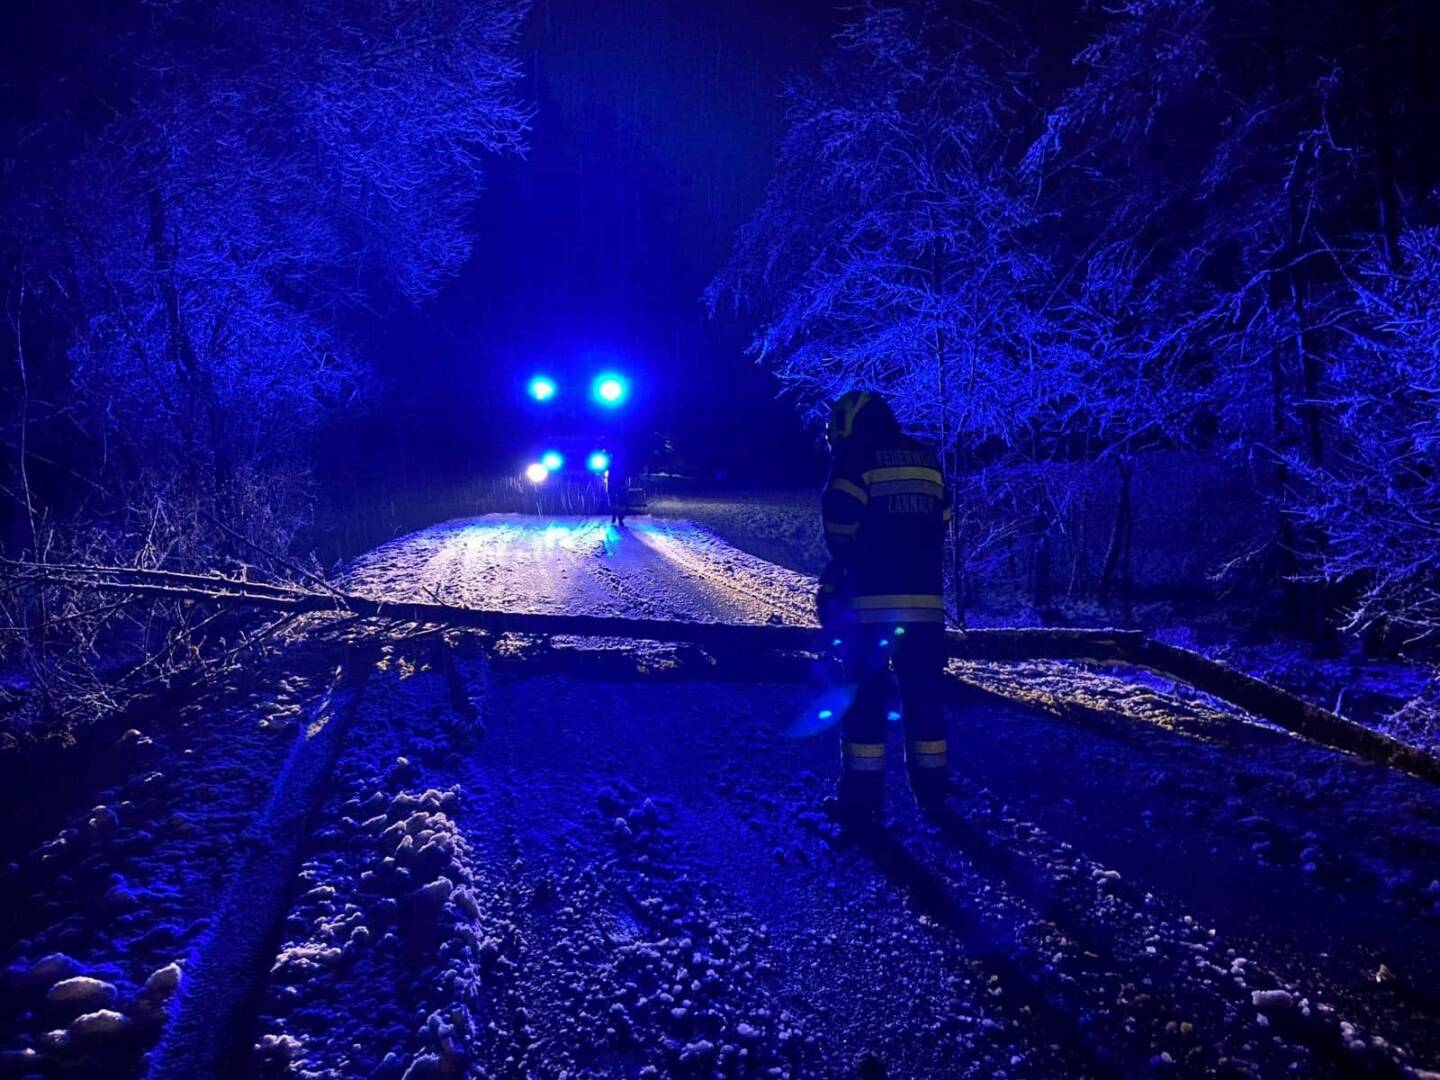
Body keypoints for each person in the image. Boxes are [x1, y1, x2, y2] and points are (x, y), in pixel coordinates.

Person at [818, 390, 951, 823]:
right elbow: (942, 522)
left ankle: (861, 802)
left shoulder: (855, 460)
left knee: (864, 702)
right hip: (926, 607)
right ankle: (932, 792)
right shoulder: (926, 459)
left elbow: (839, 529)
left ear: (846, 425)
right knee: (924, 699)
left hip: (870, 610)